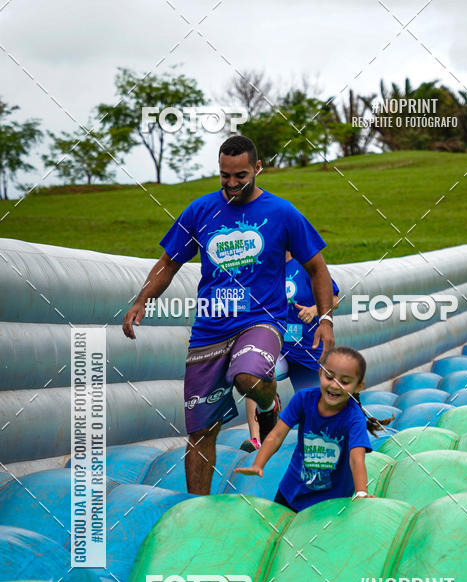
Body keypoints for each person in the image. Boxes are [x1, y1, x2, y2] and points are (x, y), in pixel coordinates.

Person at [121, 135, 335, 494]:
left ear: (257, 168)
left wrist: (325, 319)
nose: (232, 184)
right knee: (201, 431)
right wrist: (142, 299)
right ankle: (196, 512)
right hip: (209, 328)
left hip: (260, 321)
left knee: (248, 377)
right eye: (225, 176)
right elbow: (168, 263)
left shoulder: (282, 213)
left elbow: (317, 268)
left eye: (240, 176)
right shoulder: (200, 211)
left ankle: (267, 404)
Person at [234, 346, 387, 512]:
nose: (335, 385)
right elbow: (277, 435)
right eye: (329, 377)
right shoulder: (303, 399)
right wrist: (259, 463)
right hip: (291, 492)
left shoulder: (353, 416)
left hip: (329, 502)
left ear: (358, 386)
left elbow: (356, 458)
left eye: (344, 381)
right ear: (320, 373)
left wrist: (361, 492)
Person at [240, 251, 340, 452]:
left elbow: (335, 299)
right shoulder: (263, 268)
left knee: (316, 421)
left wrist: (313, 310)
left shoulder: (307, 265)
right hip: (279, 347)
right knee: (253, 376)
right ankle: (256, 439)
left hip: (308, 352)